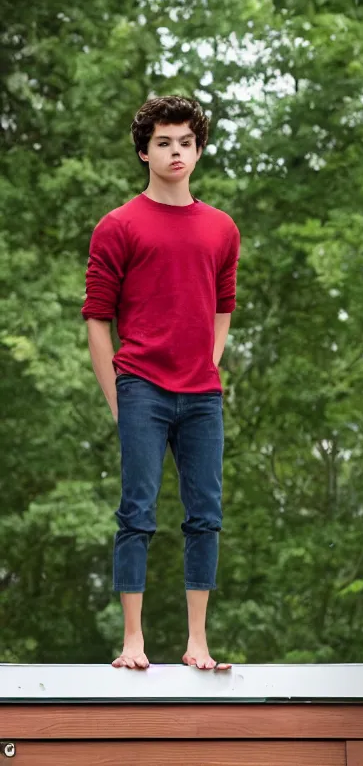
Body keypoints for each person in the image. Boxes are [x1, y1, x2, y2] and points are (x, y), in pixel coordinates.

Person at [81, 95, 240, 671]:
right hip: (141, 387)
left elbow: (224, 305)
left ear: (199, 150)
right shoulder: (118, 226)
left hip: (201, 393)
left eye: (186, 143)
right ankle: (133, 641)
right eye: (164, 143)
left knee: (206, 514)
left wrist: (209, 360)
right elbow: (98, 318)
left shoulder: (222, 228)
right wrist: (117, 395)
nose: (176, 152)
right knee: (137, 512)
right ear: (144, 151)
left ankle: (197, 641)